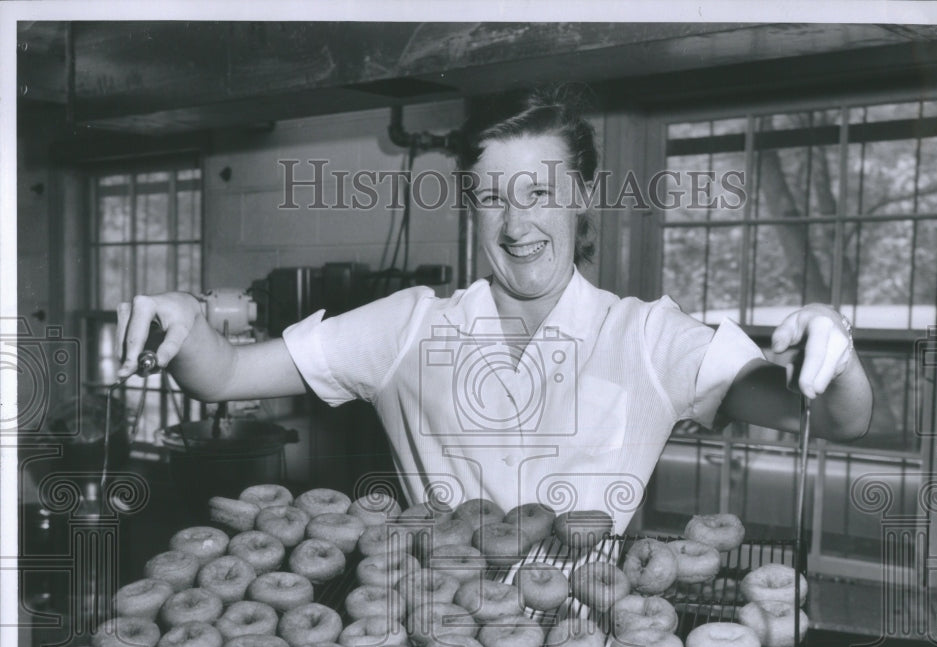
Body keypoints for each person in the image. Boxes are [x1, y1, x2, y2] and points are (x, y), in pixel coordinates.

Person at [116, 85, 872, 532]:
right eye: (491, 197)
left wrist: (833, 352)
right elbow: (223, 376)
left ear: (580, 198)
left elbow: (837, 419)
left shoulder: (645, 335)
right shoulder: (407, 325)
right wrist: (182, 314)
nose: (517, 224)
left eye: (540, 192)